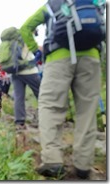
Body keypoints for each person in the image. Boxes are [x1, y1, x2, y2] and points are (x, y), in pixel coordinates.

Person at [19, 1, 105, 179]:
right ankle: (83, 165)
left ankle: (52, 160)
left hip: (58, 58)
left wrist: (37, 51)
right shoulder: (94, 2)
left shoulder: (52, 4)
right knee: (87, 112)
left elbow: (26, 28)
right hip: (91, 57)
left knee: (50, 106)